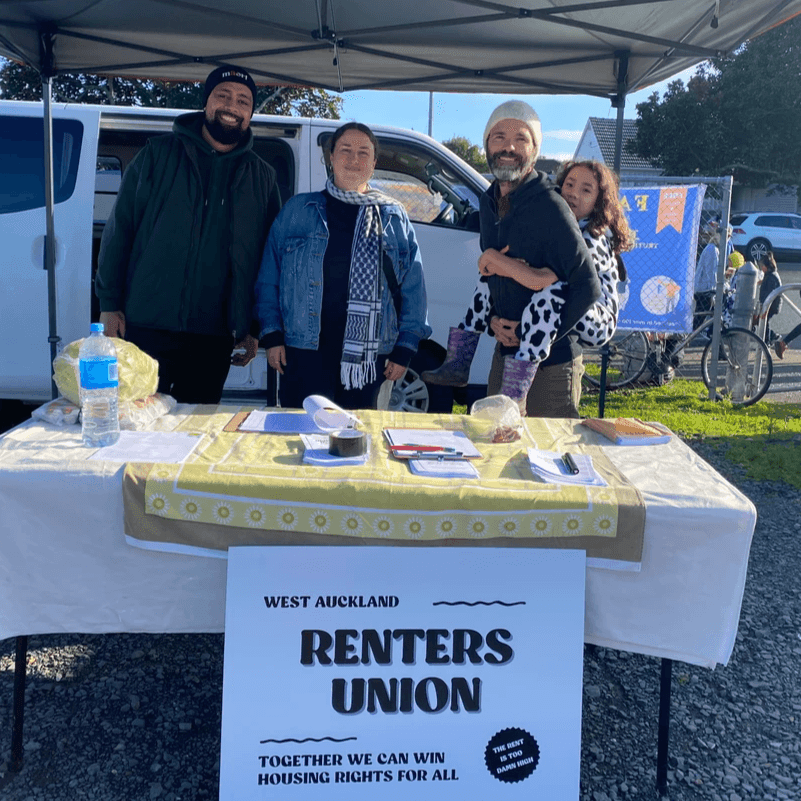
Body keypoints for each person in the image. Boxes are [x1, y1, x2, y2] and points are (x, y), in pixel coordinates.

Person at [95, 65, 283, 404]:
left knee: (194, 432)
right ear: (206, 101)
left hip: (214, 335)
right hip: (147, 323)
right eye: (222, 96)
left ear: (250, 113)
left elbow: (267, 261)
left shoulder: (263, 178)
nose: (232, 107)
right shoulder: (157, 155)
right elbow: (119, 230)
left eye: (243, 101)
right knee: (138, 422)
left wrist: (254, 327)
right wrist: (109, 305)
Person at [422, 100, 600, 415]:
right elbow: (499, 279)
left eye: (521, 138)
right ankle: (457, 366)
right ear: (487, 144)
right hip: (504, 354)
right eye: (499, 137)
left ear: (534, 149)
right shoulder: (491, 201)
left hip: (551, 364)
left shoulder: (550, 207)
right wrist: (495, 324)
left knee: (546, 454)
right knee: (495, 442)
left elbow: (588, 285)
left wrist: (540, 334)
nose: (509, 147)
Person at [423, 158, 632, 411]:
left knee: (552, 290)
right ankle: (460, 360)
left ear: (599, 202)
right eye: (569, 184)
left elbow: (548, 279)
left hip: (593, 321)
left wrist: (500, 263)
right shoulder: (550, 223)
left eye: (586, 190)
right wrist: (495, 314)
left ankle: (516, 388)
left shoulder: (593, 236)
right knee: (491, 277)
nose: (574, 194)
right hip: (539, 321)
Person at [254, 122, 431, 410]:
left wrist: (405, 348)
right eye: (345, 150)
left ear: (373, 163)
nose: (354, 159)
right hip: (303, 353)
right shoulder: (298, 211)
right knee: (300, 440)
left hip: (370, 360)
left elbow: (414, 287)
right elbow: (269, 279)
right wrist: (272, 334)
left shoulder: (393, 217)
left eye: (364, 152)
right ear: (330, 157)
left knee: (359, 440)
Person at [757, 251, 783, 344]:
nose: (761, 268)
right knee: (764, 322)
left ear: (766, 266)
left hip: (772, 305)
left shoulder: (771, 277)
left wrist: (765, 307)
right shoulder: (770, 274)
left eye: (762, 266)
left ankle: (767, 340)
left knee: (765, 321)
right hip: (772, 304)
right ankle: (772, 336)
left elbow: (769, 294)